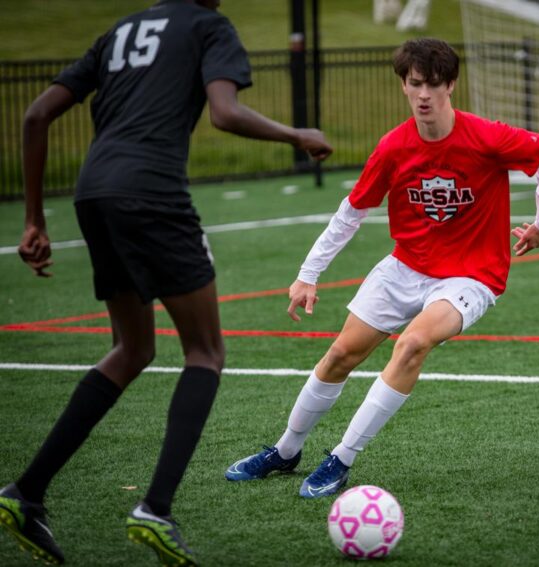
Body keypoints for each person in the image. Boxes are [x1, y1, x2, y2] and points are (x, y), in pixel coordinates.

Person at [0, 1, 332, 565]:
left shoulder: (121, 30)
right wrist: (296, 133)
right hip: (152, 193)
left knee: (132, 349)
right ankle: (155, 508)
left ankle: (25, 493)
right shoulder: (209, 26)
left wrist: (35, 220)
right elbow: (224, 113)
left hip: (92, 194)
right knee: (205, 351)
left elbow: (35, 116)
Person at [225, 38, 539, 499]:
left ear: (451, 86)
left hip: (471, 275)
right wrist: (308, 274)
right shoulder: (393, 148)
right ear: (404, 85)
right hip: (405, 267)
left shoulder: (486, 137)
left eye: (434, 84)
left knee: (412, 344)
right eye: (415, 83)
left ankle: (341, 458)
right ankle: (285, 451)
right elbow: (351, 212)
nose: (424, 94)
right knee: (341, 355)